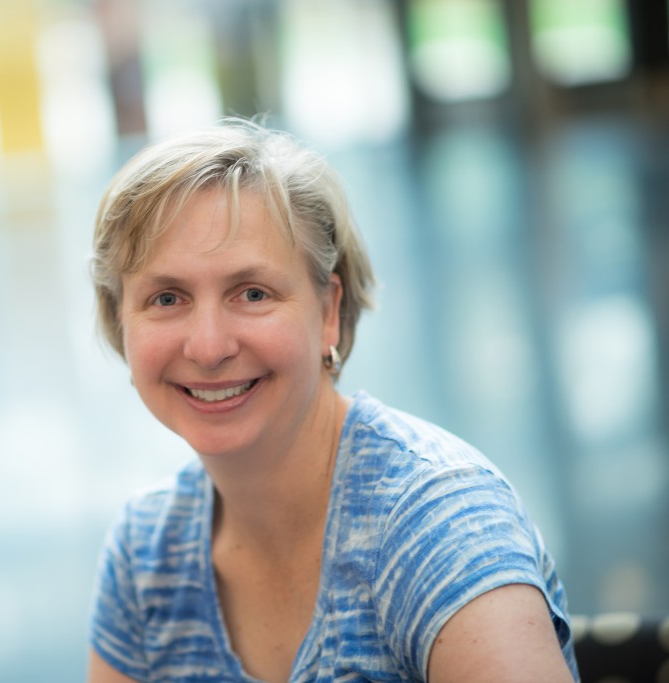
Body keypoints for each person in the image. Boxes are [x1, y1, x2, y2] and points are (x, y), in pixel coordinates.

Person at [86, 119, 578, 683]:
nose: (209, 346)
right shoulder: (146, 551)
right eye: (166, 297)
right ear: (121, 324)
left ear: (327, 311)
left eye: (252, 293)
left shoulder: (437, 524)